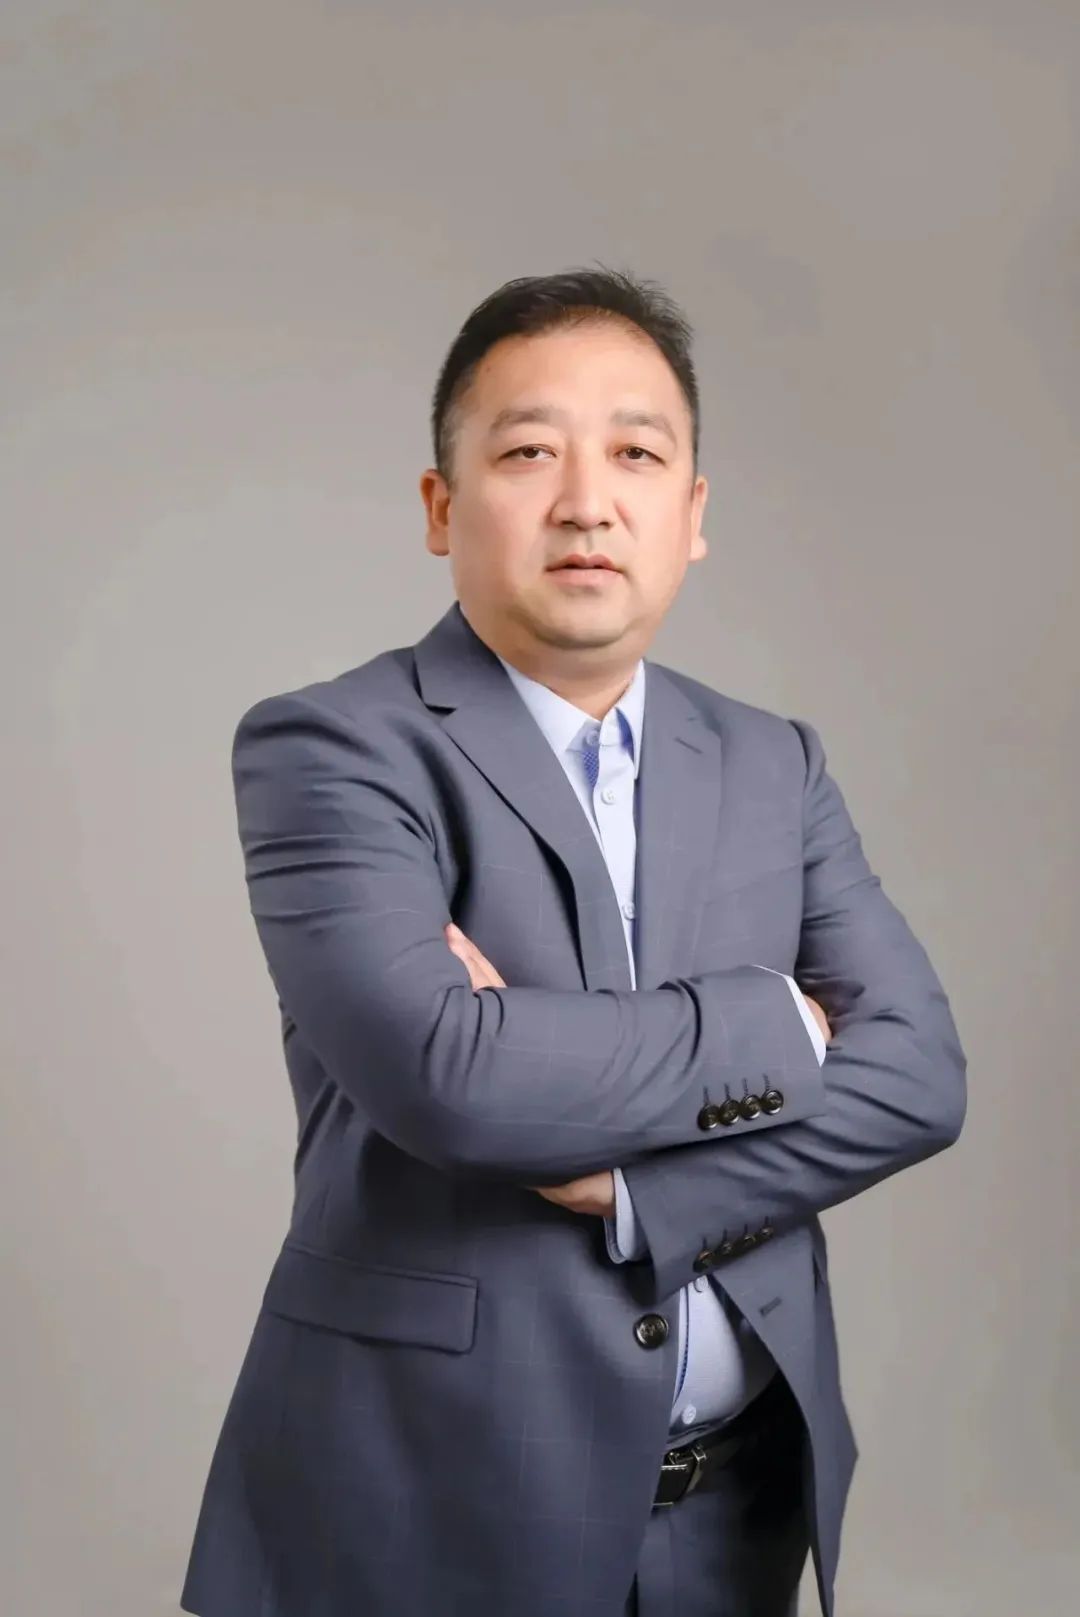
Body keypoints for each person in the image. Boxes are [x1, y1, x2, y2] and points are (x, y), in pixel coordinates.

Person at [179, 266, 967, 1617]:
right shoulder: (334, 748)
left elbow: (919, 1079)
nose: (588, 501)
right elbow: (455, 1078)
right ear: (441, 505)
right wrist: (776, 1026)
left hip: (734, 1517)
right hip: (424, 1510)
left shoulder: (773, 762)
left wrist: (638, 1193)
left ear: (693, 515)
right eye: (530, 451)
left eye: (637, 455)